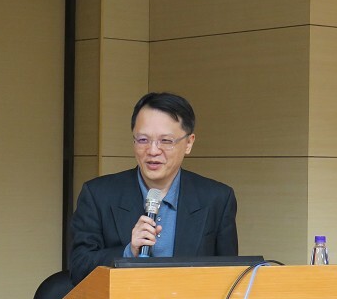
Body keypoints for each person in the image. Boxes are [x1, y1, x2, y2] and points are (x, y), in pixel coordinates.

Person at [69, 92, 239, 284]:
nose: (153, 151)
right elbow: (78, 268)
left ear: (189, 143)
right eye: (143, 140)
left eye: (166, 141)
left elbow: (231, 279)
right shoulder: (98, 195)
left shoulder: (217, 199)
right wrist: (128, 252)